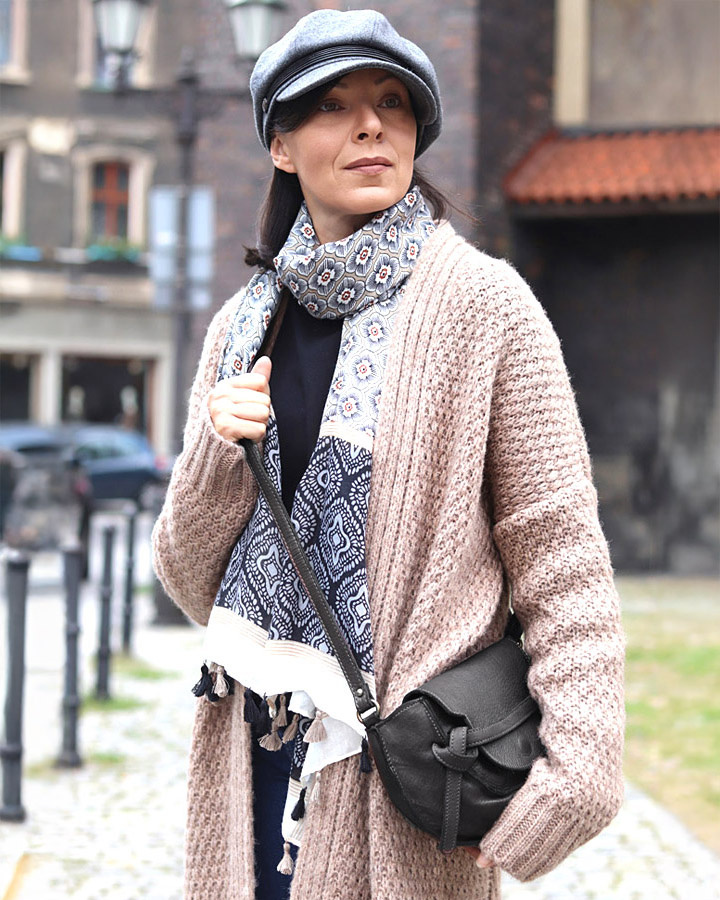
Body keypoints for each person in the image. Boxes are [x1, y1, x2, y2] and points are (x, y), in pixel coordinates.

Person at [152, 9, 625, 900]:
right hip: (251, 747)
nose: (371, 125)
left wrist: (581, 770)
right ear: (281, 146)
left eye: (392, 103)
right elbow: (186, 582)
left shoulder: (489, 310)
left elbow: (560, 557)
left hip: (408, 775)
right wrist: (219, 452)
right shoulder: (242, 327)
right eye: (332, 106)